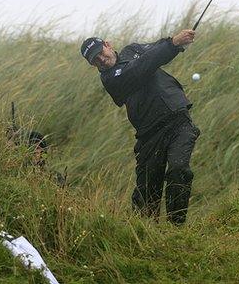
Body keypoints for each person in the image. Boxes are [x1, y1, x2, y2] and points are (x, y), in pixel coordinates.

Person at [80, 30, 200, 225]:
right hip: (149, 134)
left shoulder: (132, 50)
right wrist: (171, 44)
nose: (101, 59)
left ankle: (175, 229)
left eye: (101, 52)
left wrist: (177, 44)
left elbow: (154, 49)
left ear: (108, 45)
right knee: (147, 191)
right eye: (95, 60)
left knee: (179, 169)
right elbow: (141, 68)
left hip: (178, 118)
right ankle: (145, 233)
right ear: (92, 65)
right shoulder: (110, 79)